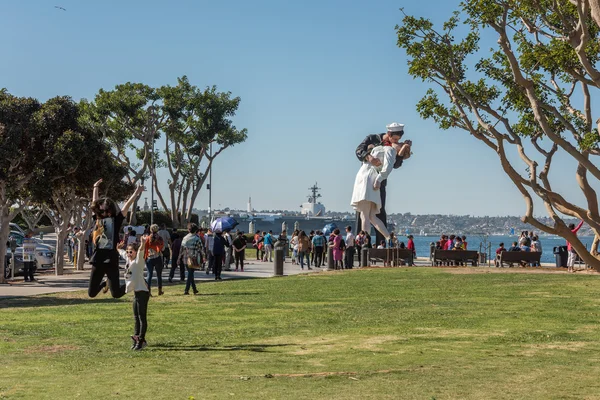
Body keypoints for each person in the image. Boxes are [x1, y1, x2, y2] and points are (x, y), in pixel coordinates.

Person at [355, 122, 411, 244]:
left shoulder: (392, 148)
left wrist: (401, 153)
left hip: (374, 180)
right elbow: (359, 151)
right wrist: (369, 157)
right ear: (389, 134)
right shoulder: (373, 138)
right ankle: (372, 242)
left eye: (398, 140)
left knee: (372, 213)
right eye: (394, 138)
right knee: (368, 215)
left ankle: (372, 243)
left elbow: (394, 165)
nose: (396, 141)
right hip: (370, 179)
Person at [88, 179, 144, 298]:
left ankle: (134, 284)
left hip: (111, 259)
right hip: (97, 258)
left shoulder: (116, 220)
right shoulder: (97, 219)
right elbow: (94, 202)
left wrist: (137, 192)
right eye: (100, 207)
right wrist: (95, 187)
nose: (101, 208)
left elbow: (127, 205)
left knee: (116, 294)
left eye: (104, 207)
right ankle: (105, 283)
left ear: (109, 210)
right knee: (91, 293)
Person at [117, 240, 149, 351]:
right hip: (136, 292)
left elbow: (141, 251)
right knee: (136, 317)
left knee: (142, 317)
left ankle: (141, 340)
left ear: (135, 252)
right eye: (128, 252)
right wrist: (118, 248)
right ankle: (136, 338)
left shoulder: (138, 261)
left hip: (143, 292)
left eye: (131, 252)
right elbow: (122, 253)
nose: (129, 254)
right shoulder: (128, 260)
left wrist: (142, 243)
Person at [178, 223, 204, 295]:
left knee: (190, 273)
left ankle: (194, 289)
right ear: (195, 230)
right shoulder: (197, 238)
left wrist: (179, 258)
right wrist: (204, 257)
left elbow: (181, 249)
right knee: (190, 273)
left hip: (186, 258)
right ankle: (186, 290)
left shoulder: (185, 238)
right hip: (194, 258)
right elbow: (201, 249)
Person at [144, 224, 165, 296]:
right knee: (159, 275)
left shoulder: (147, 238)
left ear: (150, 230)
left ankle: (148, 291)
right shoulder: (160, 238)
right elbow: (162, 248)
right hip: (158, 257)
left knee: (149, 275)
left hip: (149, 258)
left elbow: (144, 248)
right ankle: (160, 290)